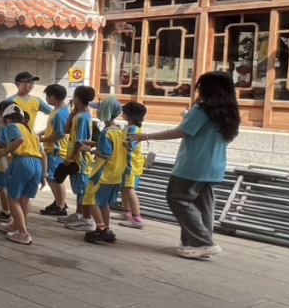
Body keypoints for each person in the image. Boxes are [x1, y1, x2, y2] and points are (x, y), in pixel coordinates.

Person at [134, 72, 240, 259]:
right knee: (203, 206)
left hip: (193, 165)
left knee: (177, 198)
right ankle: (195, 244)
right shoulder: (230, 112)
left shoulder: (203, 109)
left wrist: (146, 136)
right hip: (214, 166)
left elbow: (182, 131)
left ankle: (204, 243)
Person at [0, 104, 43, 246]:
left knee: (13, 199)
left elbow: (19, 140)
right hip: (37, 163)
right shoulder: (31, 131)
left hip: (23, 162)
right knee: (25, 198)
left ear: (7, 119)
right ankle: (16, 225)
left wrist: (6, 151)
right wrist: (44, 175)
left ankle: (23, 233)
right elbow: (41, 152)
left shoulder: (12, 127)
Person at [82, 98, 127, 245]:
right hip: (116, 172)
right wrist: (96, 144)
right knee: (104, 202)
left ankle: (101, 228)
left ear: (105, 111)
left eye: (99, 109)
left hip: (103, 172)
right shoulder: (119, 130)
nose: (97, 111)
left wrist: (90, 150)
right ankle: (106, 228)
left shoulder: (106, 132)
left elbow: (106, 154)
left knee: (91, 199)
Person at [57, 85, 97, 232]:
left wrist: (72, 158)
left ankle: (87, 219)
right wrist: (72, 114)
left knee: (83, 190)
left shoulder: (84, 117)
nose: (72, 99)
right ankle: (79, 214)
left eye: (74, 97)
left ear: (78, 99)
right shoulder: (78, 116)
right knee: (79, 189)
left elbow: (81, 142)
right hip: (75, 157)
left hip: (81, 160)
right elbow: (66, 130)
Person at [40, 84, 70, 217]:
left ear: (52, 97)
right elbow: (52, 128)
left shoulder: (60, 114)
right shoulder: (57, 110)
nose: (46, 99)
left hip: (57, 151)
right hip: (52, 150)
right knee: (51, 178)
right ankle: (58, 200)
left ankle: (60, 206)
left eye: (47, 96)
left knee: (56, 179)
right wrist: (41, 133)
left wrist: (43, 139)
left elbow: (60, 134)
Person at [120, 102, 148, 229]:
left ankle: (137, 218)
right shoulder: (128, 127)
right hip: (124, 163)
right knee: (124, 188)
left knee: (129, 189)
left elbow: (132, 146)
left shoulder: (133, 129)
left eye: (124, 112)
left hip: (131, 164)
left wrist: (118, 141)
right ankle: (126, 213)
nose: (122, 114)